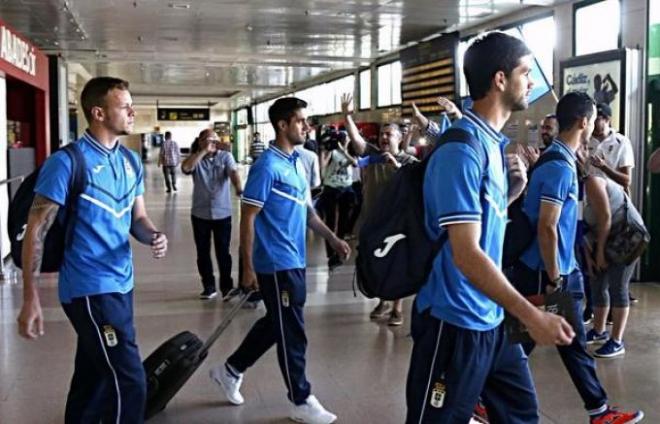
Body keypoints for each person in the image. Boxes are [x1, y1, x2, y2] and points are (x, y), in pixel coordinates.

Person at [406, 31, 576, 423]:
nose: (532, 82)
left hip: (492, 320)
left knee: (521, 415)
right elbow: (465, 253)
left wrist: (511, 194)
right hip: (454, 322)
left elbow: (479, 223)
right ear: (500, 79)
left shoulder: (491, 144)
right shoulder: (461, 150)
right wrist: (532, 316)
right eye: (525, 72)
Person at [16, 77, 168, 423]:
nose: (132, 111)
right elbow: (36, 232)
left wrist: (153, 235)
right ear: (98, 113)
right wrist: (30, 297)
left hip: (122, 285)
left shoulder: (129, 161)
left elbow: (138, 218)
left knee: (93, 374)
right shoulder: (67, 162)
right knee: (129, 382)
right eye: (124, 105)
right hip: (88, 289)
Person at [209, 97, 351, 424]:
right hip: (274, 263)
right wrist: (246, 268)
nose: (307, 126)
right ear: (282, 125)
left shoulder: (297, 163)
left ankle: (230, 371)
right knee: (293, 331)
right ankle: (300, 399)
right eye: (300, 121)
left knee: (278, 323)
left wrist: (332, 238)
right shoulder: (266, 167)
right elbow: (248, 217)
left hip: (296, 259)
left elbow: (307, 211)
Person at [510, 91, 643, 423]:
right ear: (583, 122)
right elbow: (547, 225)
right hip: (547, 270)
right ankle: (484, 395)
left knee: (565, 343)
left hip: (555, 268)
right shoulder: (558, 166)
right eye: (593, 117)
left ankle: (598, 411)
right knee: (528, 343)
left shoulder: (561, 158)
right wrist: (556, 278)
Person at [341, 93, 417, 326]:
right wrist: (347, 116)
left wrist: (396, 167)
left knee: (398, 265)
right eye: (382, 134)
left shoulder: (408, 162)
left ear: (399, 138)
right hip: (373, 221)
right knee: (375, 262)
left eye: (389, 134)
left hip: (398, 224)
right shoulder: (373, 155)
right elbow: (357, 142)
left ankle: (397, 308)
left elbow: (415, 188)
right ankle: (383, 301)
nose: (384, 138)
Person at [583, 166, 640, 358]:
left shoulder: (593, 182)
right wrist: (590, 257)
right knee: (597, 282)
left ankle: (617, 341)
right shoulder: (573, 188)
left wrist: (599, 253)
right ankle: (599, 331)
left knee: (618, 286)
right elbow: (581, 228)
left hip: (627, 238)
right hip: (605, 238)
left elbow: (605, 217)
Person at [181, 128, 243, 300]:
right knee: (203, 252)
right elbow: (186, 168)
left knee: (223, 252)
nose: (212, 144)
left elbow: (233, 173)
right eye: (208, 140)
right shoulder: (196, 158)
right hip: (200, 213)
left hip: (222, 213)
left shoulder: (225, 157)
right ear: (200, 141)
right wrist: (202, 151)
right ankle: (208, 286)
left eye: (215, 140)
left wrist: (238, 187)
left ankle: (227, 287)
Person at [319, 131, 357, 269]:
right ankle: (330, 253)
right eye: (342, 138)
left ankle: (339, 250)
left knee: (343, 221)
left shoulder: (350, 152)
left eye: (345, 138)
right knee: (330, 221)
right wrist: (325, 151)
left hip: (346, 188)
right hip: (331, 188)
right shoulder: (332, 152)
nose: (344, 140)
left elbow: (355, 163)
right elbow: (322, 166)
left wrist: (343, 150)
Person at [588, 103, 635, 192]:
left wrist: (604, 167)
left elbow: (627, 181)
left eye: (596, 119)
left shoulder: (621, 142)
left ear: (607, 119)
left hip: (614, 199)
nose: (592, 122)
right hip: (589, 198)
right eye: (590, 119)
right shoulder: (585, 140)